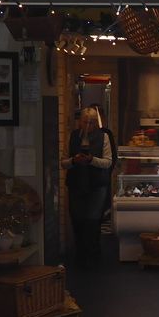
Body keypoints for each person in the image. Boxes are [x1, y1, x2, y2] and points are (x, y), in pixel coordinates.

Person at [62, 106, 113, 267]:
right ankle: (80, 256)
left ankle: (93, 256)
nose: (88, 125)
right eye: (85, 122)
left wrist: (92, 160)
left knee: (92, 222)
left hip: (96, 185)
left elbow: (108, 162)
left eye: (91, 122)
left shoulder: (103, 136)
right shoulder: (73, 137)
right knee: (77, 220)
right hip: (76, 184)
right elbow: (63, 163)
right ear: (80, 122)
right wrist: (73, 161)